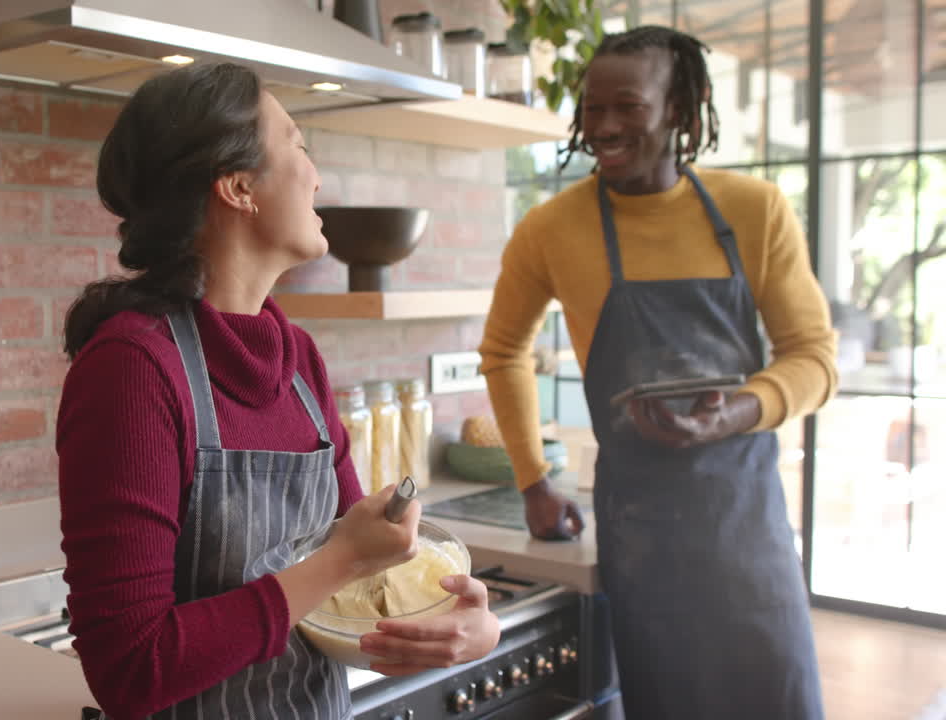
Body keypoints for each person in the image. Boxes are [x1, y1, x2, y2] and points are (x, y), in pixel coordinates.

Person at [57, 62, 500, 720]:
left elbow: (359, 585)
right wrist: (347, 554)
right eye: (296, 143)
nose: (317, 174)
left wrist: (459, 624)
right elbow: (128, 667)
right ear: (239, 187)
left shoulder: (297, 362)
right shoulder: (132, 368)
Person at [478, 25, 837, 720]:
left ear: (680, 108)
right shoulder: (551, 228)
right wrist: (533, 481)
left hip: (746, 528)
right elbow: (502, 352)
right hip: (642, 533)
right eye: (592, 109)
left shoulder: (754, 210)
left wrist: (736, 412)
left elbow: (816, 359)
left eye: (628, 107)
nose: (605, 126)